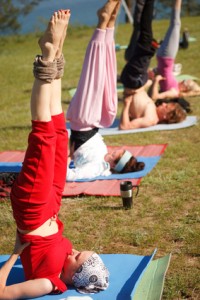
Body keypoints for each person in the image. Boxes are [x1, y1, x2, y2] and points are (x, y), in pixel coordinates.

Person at [0, 7, 110, 300]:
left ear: (73, 276)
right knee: (61, 136)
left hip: (33, 210)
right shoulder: (66, 262)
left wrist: (13, 255)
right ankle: (57, 52)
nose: (73, 250)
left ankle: (46, 58)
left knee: (43, 138)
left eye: (77, 257)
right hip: (51, 204)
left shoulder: (50, 282)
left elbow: (3, 293)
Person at [66, 0, 145, 181]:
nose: (115, 150)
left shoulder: (96, 168)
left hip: (85, 121)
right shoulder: (103, 163)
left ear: (114, 164)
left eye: (117, 154)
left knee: (95, 73)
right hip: (93, 121)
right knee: (104, 74)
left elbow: (69, 176)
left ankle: (105, 22)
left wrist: (64, 157)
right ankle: (109, 22)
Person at [119, 0, 186, 130]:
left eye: (166, 107)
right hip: (138, 80)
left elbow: (124, 126)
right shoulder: (153, 111)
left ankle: (149, 2)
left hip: (134, 81)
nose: (163, 105)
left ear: (167, 116)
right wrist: (150, 81)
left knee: (145, 37)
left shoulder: (151, 119)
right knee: (142, 36)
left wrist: (126, 105)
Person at [149, 0, 200, 101]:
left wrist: (156, 80)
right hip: (165, 57)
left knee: (176, 24)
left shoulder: (174, 92)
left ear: (185, 88)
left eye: (187, 82)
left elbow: (155, 97)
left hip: (166, 57)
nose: (185, 80)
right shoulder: (175, 87)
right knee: (175, 25)